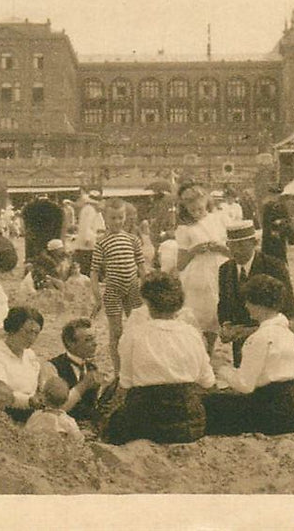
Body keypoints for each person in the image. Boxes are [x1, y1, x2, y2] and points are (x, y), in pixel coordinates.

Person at [102, 273, 216, 445]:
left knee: (113, 422)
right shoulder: (191, 333)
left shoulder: (134, 334)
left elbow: (126, 382)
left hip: (146, 420)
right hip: (188, 422)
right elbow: (207, 381)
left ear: (147, 302)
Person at [206, 275, 294, 436]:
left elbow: (245, 385)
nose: (246, 306)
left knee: (209, 403)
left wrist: (220, 367)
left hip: (271, 412)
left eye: (249, 302)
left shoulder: (259, 338)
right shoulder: (287, 333)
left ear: (260, 306)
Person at [217, 220, 294, 375]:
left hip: (272, 342)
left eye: (241, 245)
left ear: (254, 243)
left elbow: (288, 311)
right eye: (232, 245)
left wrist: (251, 330)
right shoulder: (225, 270)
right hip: (240, 343)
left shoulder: (274, 267)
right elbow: (224, 305)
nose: (236, 251)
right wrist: (226, 325)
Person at [175, 183, 231, 355]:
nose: (197, 213)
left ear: (207, 202)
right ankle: (196, 352)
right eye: (192, 210)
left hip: (218, 270)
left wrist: (219, 248)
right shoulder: (185, 229)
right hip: (197, 277)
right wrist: (194, 250)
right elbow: (181, 263)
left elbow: (232, 251)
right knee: (197, 316)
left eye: (200, 208)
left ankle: (209, 352)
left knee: (214, 315)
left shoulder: (219, 219)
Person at [91, 198, 145, 373]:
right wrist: (97, 297)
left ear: (125, 217)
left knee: (137, 328)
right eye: (113, 218)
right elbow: (94, 271)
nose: (117, 221)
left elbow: (141, 266)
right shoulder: (101, 242)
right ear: (105, 219)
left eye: (120, 217)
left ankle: (137, 366)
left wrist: (146, 288)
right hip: (113, 289)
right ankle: (118, 371)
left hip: (133, 288)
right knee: (116, 332)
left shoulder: (132, 239)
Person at [0, 306, 46, 423]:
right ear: (13, 329)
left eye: (36, 333)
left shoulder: (29, 355)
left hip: (28, 412)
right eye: (27, 332)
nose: (32, 338)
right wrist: (30, 401)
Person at [40, 319, 103, 424]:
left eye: (94, 339)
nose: (95, 344)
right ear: (70, 343)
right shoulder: (51, 367)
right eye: (88, 340)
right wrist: (83, 385)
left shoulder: (92, 368)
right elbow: (52, 409)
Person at [24, 377, 85, 442]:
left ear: (44, 397)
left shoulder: (36, 416)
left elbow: (26, 432)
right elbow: (79, 439)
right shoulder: (68, 421)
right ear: (66, 400)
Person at [260, 186, 294, 265]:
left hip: (281, 234)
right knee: (268, 256)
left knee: (281, 255)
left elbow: (288, 219)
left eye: (277, 195)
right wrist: (271, 231)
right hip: (269, 236)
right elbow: (265, 223)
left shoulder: (283, 207)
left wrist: (281, 222)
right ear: (270, 195)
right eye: (273, 195)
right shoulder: (267, 207)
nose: (275, 197)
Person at [74, 190, 106, 277]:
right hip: (88, 246)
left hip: (91, 244)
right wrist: (88, 239)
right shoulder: (89, 210)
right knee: (89, 268)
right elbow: (86, 226)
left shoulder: (93, 211)